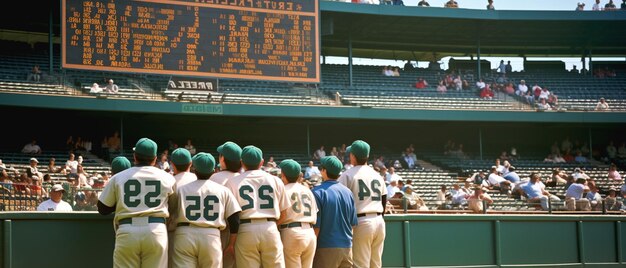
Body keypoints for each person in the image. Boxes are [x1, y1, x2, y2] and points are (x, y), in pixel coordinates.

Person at [97, 137, 176, 268]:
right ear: (155, 158)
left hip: (127, 229)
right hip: (156, 230)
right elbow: (173, 207)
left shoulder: (118, 177)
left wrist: (121, 202)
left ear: (134, 156)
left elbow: (103, 209)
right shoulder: (168, 177)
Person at [169, 152, 241, 268]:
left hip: (185, 234)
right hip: (211, 235)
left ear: (194, 169)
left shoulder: (181, 189)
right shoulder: (223, 190)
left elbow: (170, 212)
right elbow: (234, 220)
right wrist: (231, 243)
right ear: (213, 171)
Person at [225, 145, 290, 268]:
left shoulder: (232, 182)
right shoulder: (275, 180)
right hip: (270, 228)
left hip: (245, 229)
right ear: (262, 162)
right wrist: (269, 225)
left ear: (242, 162)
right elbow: (284, 214)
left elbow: (231, 216)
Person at [338, 140, 386, 268]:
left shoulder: (347, 174)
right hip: (379, 220)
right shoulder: (377, 175)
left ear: (353, 156)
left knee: (360, 264)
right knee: (376, 263)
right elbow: (384, 198)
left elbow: (340, 199)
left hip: (362, 221)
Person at [312, 156, 357, 268]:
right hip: (347, 246)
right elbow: (353, 224)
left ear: (324, 171)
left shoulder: (317, 192)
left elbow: (316, 227)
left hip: (325, 247)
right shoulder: (348, 192)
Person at [277, 159, 318, 268]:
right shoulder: (307, 190)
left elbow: (282, 215)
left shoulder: (283, 190)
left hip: (292, 232)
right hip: (309, 232)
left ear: (283, 174)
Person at [209, 141, 242, 268]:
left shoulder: (214, 178)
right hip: (242, 230)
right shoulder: (242, 177)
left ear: (222, 159)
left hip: (220, 230)